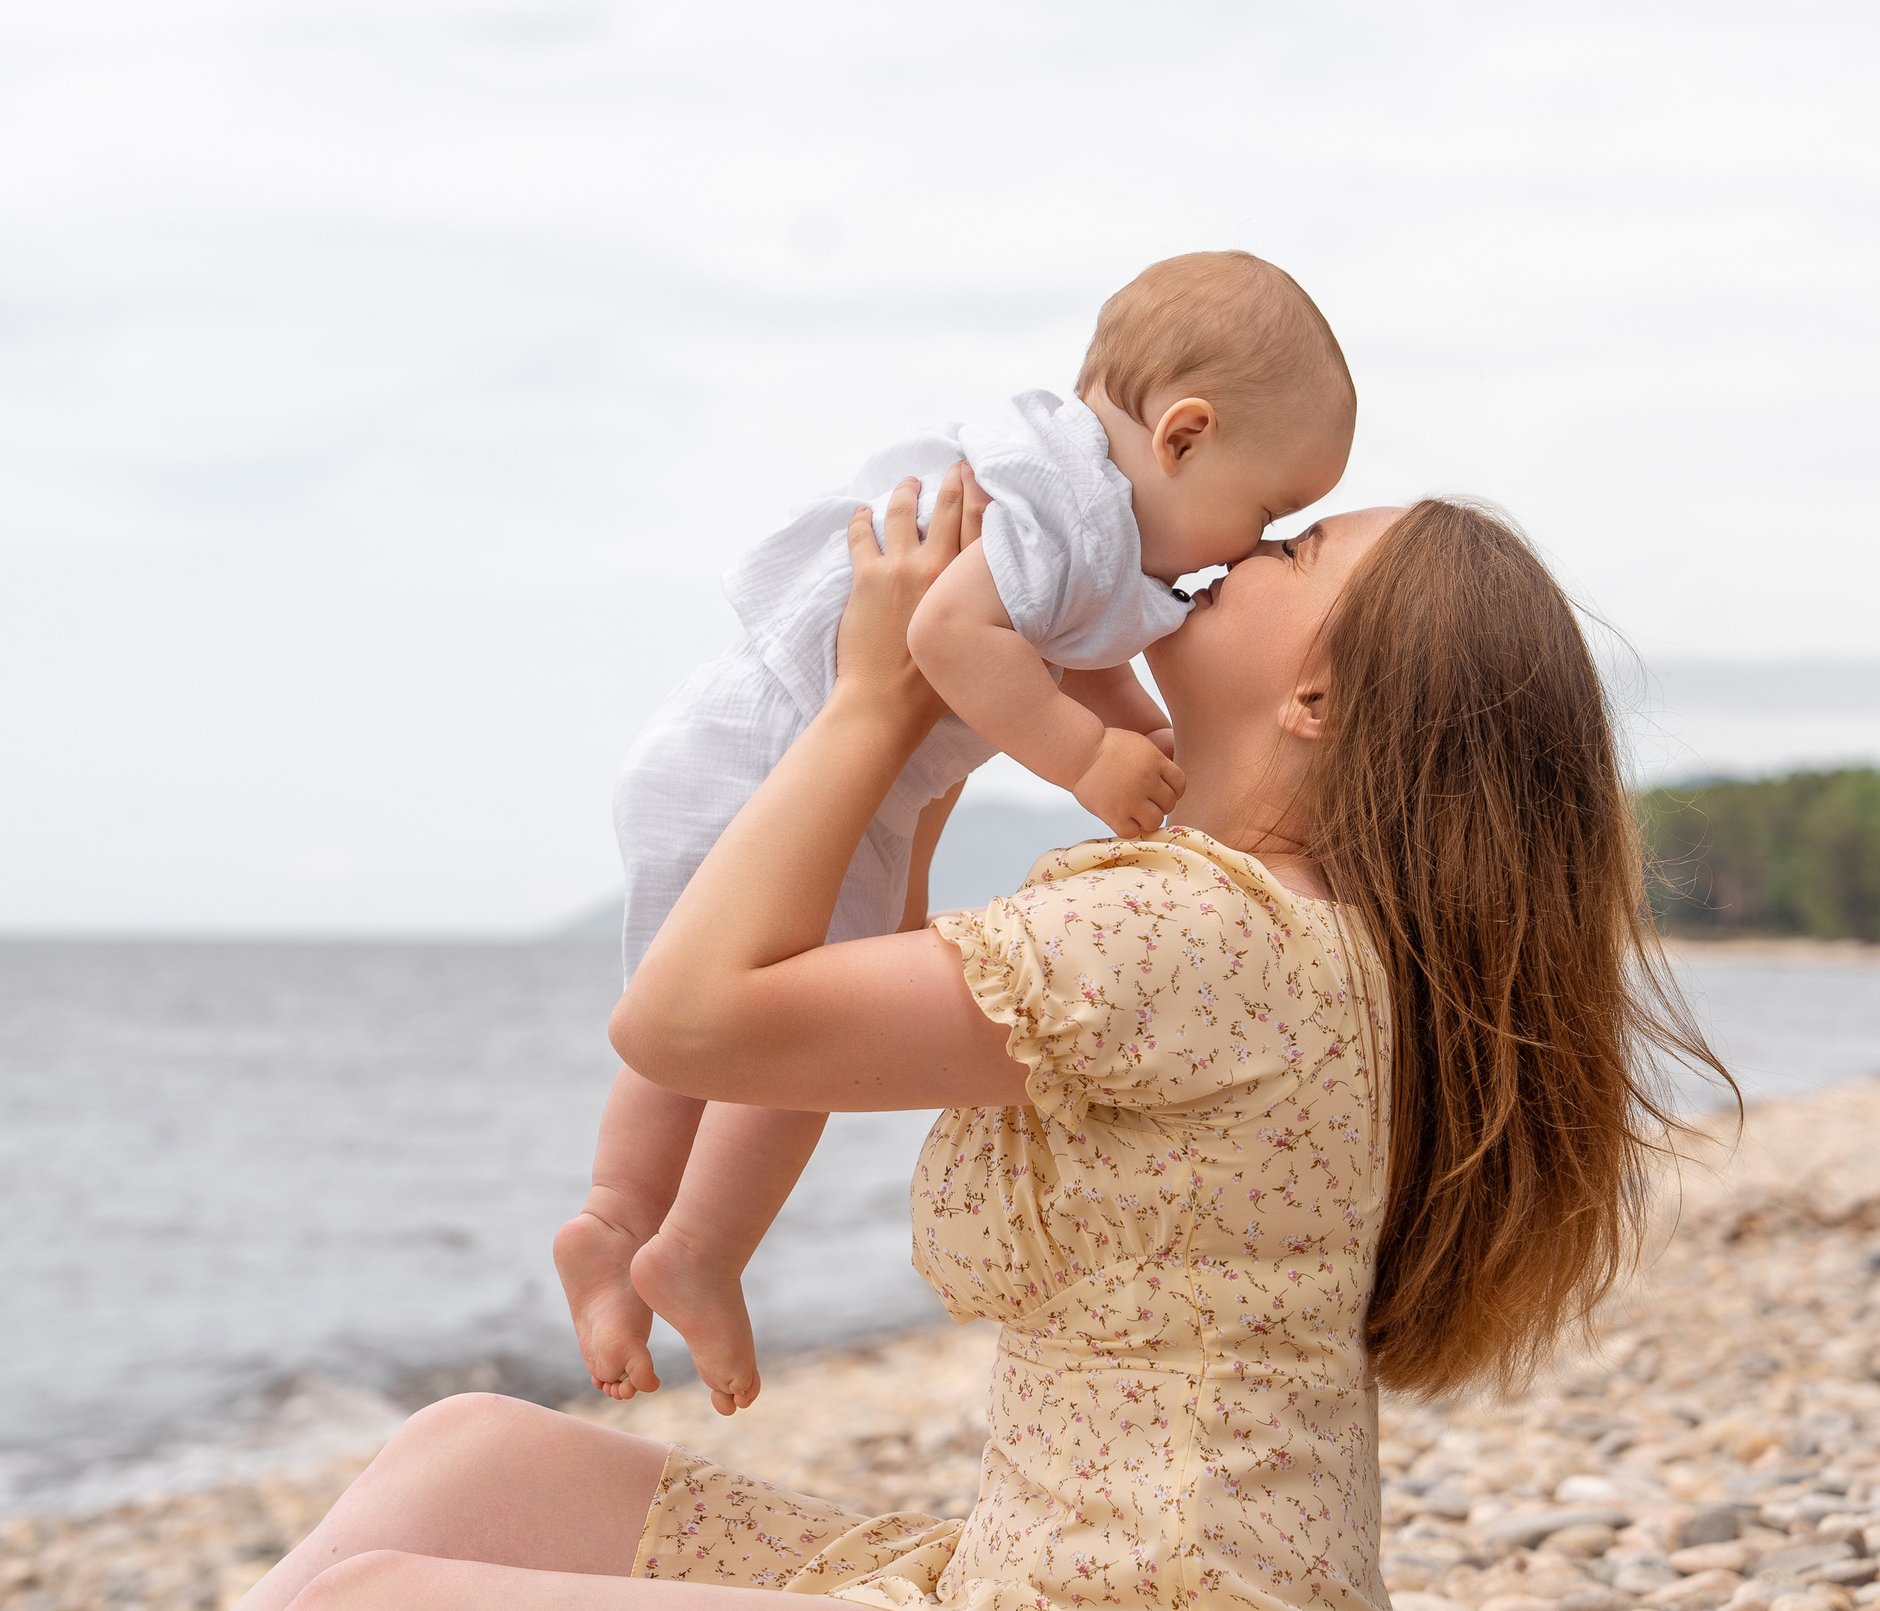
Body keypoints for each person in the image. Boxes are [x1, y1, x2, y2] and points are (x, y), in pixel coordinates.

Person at [239, 469, 1723, 1611]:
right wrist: (934, 765)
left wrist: (874, 704)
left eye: (1288, 552)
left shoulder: (1196, 932)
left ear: (1319, 695)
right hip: (1066, 1570)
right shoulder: (1285, 938)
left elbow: (688, 1017)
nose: (1235, 544)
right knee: (465, 1451)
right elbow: (828, 977)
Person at [562, 253, 1358, 1414]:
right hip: (770, 759)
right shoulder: (1070, 516)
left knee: (732, 1017)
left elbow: (1067, 659)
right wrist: (1090, 759)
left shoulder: (1082, 516)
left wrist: (1135, 738)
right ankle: (680, 1242)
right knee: (761, 1035)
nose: (1242, 551)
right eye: (1271, 517)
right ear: (1182, 436)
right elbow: (945, 632)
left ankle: (625, 1227)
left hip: (774, 758)